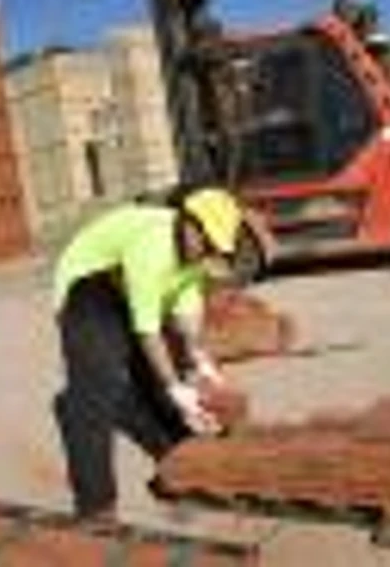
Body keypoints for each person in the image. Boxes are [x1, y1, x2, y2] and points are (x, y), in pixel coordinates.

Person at [51, 186, 243, 526]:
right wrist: (175, 388)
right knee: (96, 392)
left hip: (130, 290)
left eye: (215, 247)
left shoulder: (196, 258)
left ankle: (181, 467)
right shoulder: (152, 248)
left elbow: (186, 326)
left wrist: (203, 369)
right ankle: (96, 508)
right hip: (89, 286)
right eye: (207, 242)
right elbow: (147, 332)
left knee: (154, 383)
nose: (209, 252)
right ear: (189, 223)